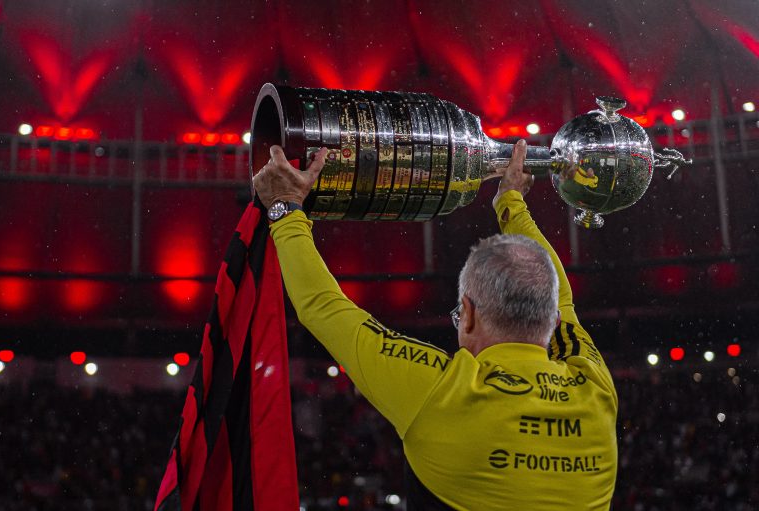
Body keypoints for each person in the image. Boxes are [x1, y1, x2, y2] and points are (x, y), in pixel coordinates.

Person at [252, 139, 618, 510]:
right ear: (553, 321)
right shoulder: (594, 385)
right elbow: (564, 298)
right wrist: (512, 204)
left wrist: (285, 204)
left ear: (469, 313)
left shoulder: (440, 390)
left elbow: (323, 307)